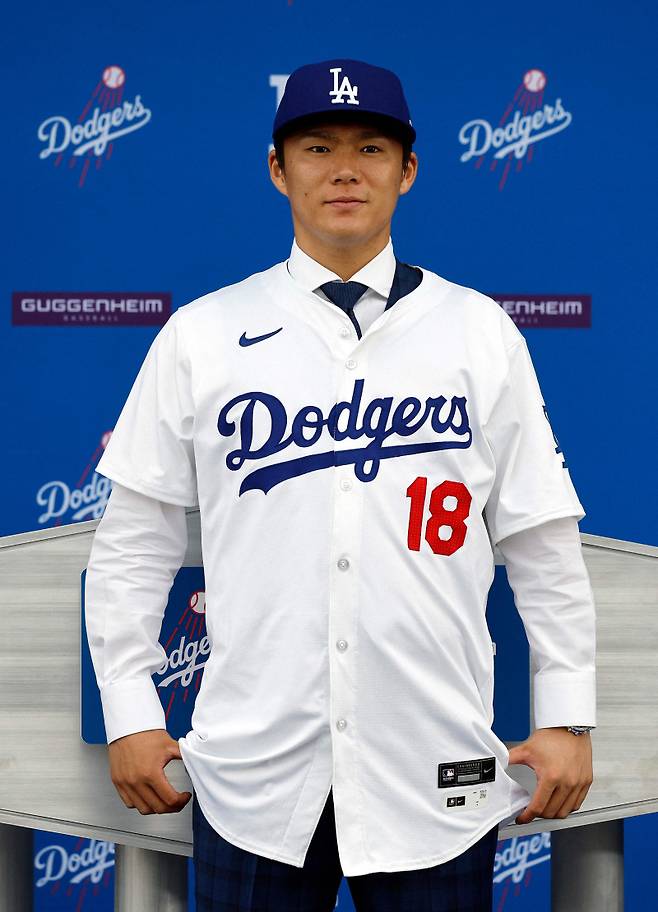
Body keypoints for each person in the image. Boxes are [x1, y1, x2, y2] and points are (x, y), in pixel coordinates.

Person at [85, 58, 596, 911]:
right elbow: (134, 544)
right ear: (279, 169)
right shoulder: (202, 334)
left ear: (410, 169)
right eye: (318, 146)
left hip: (435, 762)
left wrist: (568, 714)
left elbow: (541, 539)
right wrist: (132, 711)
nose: (346, 169)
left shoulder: (478, 331)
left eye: (372, 146)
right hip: (256, 764)